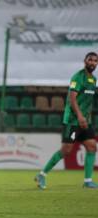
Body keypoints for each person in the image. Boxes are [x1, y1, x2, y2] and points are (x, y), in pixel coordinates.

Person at [35, 52, 98, 189]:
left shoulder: (93, 80)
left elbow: (89, 101)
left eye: (95, 61)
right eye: (90, 60)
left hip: (85, 121)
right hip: (72, 120)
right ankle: (42, 174)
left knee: (92, 146)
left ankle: (87, 181)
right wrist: (80, 116)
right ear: (85, 61)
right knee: (66, 150)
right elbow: (72, 99)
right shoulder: (78, 77)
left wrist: (87, 117)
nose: (92, 63)